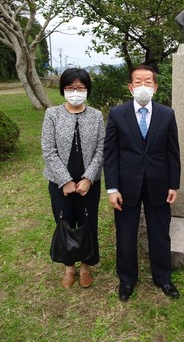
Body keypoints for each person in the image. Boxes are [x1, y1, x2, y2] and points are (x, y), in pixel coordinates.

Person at [104, 65, 181, 301]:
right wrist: (112, 188)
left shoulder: (167, 114)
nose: (143, 86)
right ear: (130, 87)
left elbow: (172, 152)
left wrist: (173, 185)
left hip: (159, 183)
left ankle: (163, 278)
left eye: (148, 82)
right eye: (138, 82)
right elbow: (111, 153)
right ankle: (127, 280)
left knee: (160, 233)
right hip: (127, 185)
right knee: (126, 235)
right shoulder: (117, 114)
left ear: (155, 87)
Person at [41, 68, 105, 290]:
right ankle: (69, 266)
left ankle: (86, 266)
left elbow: (100, 150)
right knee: (65, 221)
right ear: (63, 90)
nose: (75, 92)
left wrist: (88, 178)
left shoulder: (96, 116)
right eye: (70, 88)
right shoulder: (52, 114)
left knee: (88, 222)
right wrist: (65, 180)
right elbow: (48, 150)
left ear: (87, 90)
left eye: (80, 88)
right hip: (60, 183)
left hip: (89, 183)